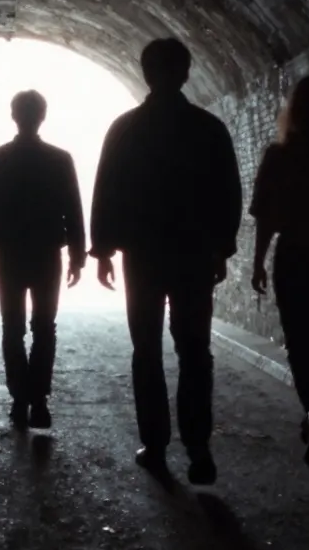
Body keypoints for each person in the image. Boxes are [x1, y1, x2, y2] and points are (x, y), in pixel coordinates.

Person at [89, 37, 243, 486]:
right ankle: (198, 446)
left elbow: (106, 190)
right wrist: (221, 247)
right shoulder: (208, 128)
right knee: (194, 350)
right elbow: (227, 192)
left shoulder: (125, 129)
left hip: (143, 255)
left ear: (145, 73)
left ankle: (154, 444)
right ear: (187, 72)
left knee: (147, 350)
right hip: (193, 253)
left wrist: (103, 249)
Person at [0, 90, 86, 430]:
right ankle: (39, 399)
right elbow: (73, 210)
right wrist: (77, 255)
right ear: (42, 116)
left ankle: (19, 398)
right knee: (44, 327)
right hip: (47, 254)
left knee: (12, 327)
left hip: (8, 254)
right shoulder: (60, 159)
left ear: (13, 115)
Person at [250, 74, 309, 469]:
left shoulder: (279, 156)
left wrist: (258, 262)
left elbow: (266, 217)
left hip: (294, 258)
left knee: (298, 339)